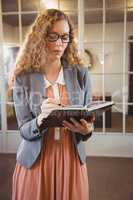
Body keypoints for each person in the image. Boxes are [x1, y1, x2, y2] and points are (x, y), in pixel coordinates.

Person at [10, 8, 94, 200]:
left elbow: (88, 117)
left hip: (71, 159)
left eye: (64, 37)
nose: (59, 44)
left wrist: (86, 130)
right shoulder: (23, 78)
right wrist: (41, 119)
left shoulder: (81, 74)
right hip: (36, 161)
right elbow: (24, 129)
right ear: (40, 37)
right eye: (53, 36)